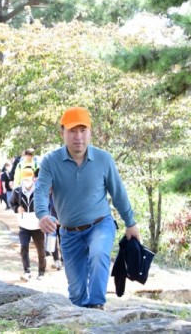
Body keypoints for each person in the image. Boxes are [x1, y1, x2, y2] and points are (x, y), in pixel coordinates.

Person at [35, 107, 141, 309]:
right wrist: (42, 214)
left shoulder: (103, 159)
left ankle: (97, 306)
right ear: (62, 133)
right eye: (72, 131)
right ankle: (83, 316)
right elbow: (40, 191)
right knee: (76, 295)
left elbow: (118, 193)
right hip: (69, 233)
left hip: (100, 225)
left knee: (99, 253)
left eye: (83, 130)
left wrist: (130, 223)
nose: (78, 137)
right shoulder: (51, 161)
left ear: (90, 132)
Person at [10, 168, 46, 281]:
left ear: (33, 179)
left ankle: (41, 271)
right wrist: (17, 208)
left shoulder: (39, 190)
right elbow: (12, 203)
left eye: (28, 179)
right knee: (24, 247)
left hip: (37, 225)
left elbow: (46, 203)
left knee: (40, 249)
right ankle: (27, 271)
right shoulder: (16, 191)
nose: (27, 181)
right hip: (24, 224)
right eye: (24, 179)